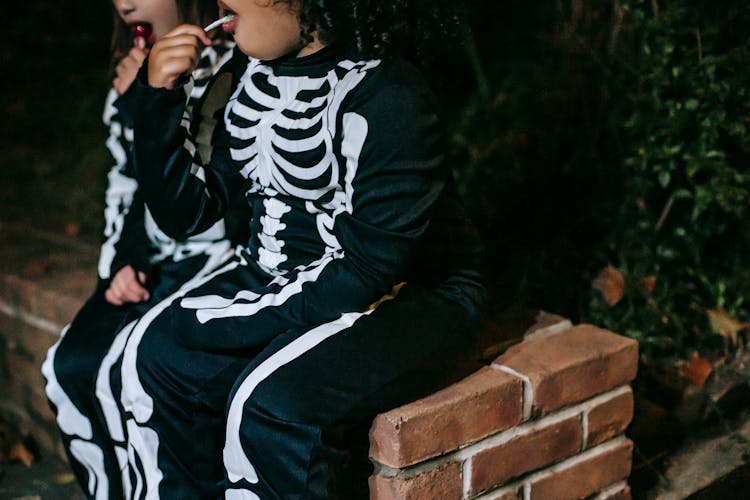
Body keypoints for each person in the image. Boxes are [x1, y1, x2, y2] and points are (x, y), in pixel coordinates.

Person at [122, 0, 486, 497]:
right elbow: (189, 213)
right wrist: (156, 104)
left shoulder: (387, 95)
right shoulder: (244, 74)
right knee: (157, 352)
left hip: (409, 293)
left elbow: (370, 268)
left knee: (270, 408)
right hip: (283, 278)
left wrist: (237, 317)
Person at [41, 0, 237, 498]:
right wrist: (119, 267)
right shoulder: (126, 74)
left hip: (217, 257)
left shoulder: (235, 64)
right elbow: (125, 189)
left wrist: (152, 102)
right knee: (67, 365)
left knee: (123, 377)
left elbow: (208, 183)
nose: (124, 2)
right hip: (150, 260)